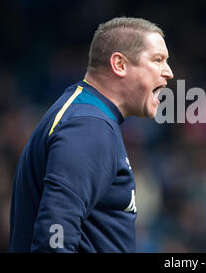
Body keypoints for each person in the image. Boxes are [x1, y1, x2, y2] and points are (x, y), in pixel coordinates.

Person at [9, 17, 174, 252]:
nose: (168, 72)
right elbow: (54, 239)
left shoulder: (83, 113)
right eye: (158, 60)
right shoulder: (88, 126)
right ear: (119, 64)